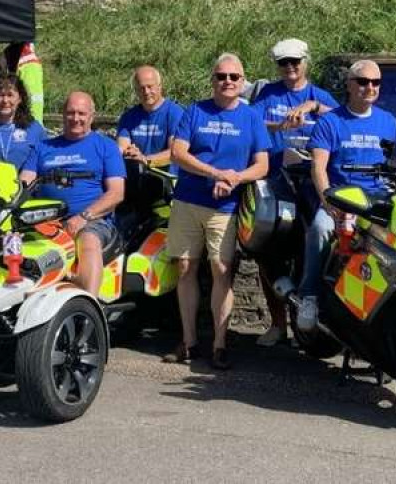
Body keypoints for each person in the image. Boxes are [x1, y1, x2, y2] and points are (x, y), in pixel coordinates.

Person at [165, 53, 270, 370]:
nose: (227, 82)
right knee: (184, 268)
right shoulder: (195, 110)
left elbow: (262, 164)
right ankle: (189, 341)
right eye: (221, 76)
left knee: (222, 273)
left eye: (234, 77)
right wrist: (214, 173)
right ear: (212, 80)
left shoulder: (251, 117)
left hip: (226, 207)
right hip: (188, 201)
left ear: (242, 82)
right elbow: (178, 152)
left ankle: (220, 345)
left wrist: (235, 178)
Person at [298, 59, 396, 331]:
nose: (369, 87)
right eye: (362, 82)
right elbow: (318, 166)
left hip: (378, 201)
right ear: (349, 85)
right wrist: (328, 202)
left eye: (375, 82)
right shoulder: (331, 121)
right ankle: (309, 296)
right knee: (319, 229)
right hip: (343, 198)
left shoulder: (387, 121)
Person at [251, 38, 337, 347]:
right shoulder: (268, 94)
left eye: (295, 62)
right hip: (276, 180)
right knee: (267, 249)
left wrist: (314, 107)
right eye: (283, 63)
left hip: (313, 184)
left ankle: (315, 316)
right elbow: (252, 123)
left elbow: (344, 122)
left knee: (319, 239)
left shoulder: (319, 96)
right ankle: (277, 325)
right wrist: (279, 127)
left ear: (305, 62)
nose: (290, 67)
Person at [20, 91, 125, 296]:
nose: (75, 118)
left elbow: (116, 193)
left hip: (93, 220)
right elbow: (24, 183)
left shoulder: (106, 147)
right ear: (62, 115)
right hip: (45, 220)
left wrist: (83, 217)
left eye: (81, 113)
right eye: (70, 113)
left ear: (92, 117)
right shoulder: (43, 147)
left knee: (88, 241)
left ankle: (87, 305)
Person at [116, 65, 184, 167]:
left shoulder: (175, 113)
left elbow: (175, 152)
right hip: (136, 177)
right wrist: (130, 152)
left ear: (160, 86)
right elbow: (122, 147)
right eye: (141, 88)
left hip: (165, 178)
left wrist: (146, 160)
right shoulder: (128, 117)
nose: (146, 92)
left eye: (150, 86)